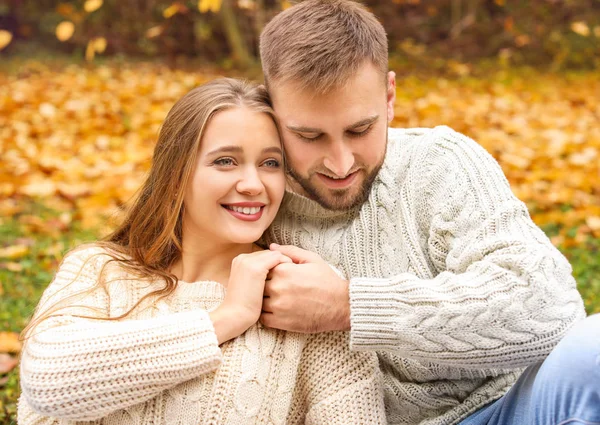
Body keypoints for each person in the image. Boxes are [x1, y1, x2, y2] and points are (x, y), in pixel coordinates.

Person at [257, 1, 600, 424]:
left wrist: (350, 305)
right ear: (271, 115)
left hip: (509, 408)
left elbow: (550, 306)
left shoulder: (438, 163)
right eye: (309, 136)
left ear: (389, 96)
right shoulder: (253, 204)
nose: (341, 163)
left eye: (359, 130)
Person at [17, 78, 387, 425]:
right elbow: (47, 379)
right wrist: (227, 317)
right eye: (225, 161)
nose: (252, 184)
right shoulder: (103, 269)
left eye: (270, 163)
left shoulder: (305, 293)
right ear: (177, 173)